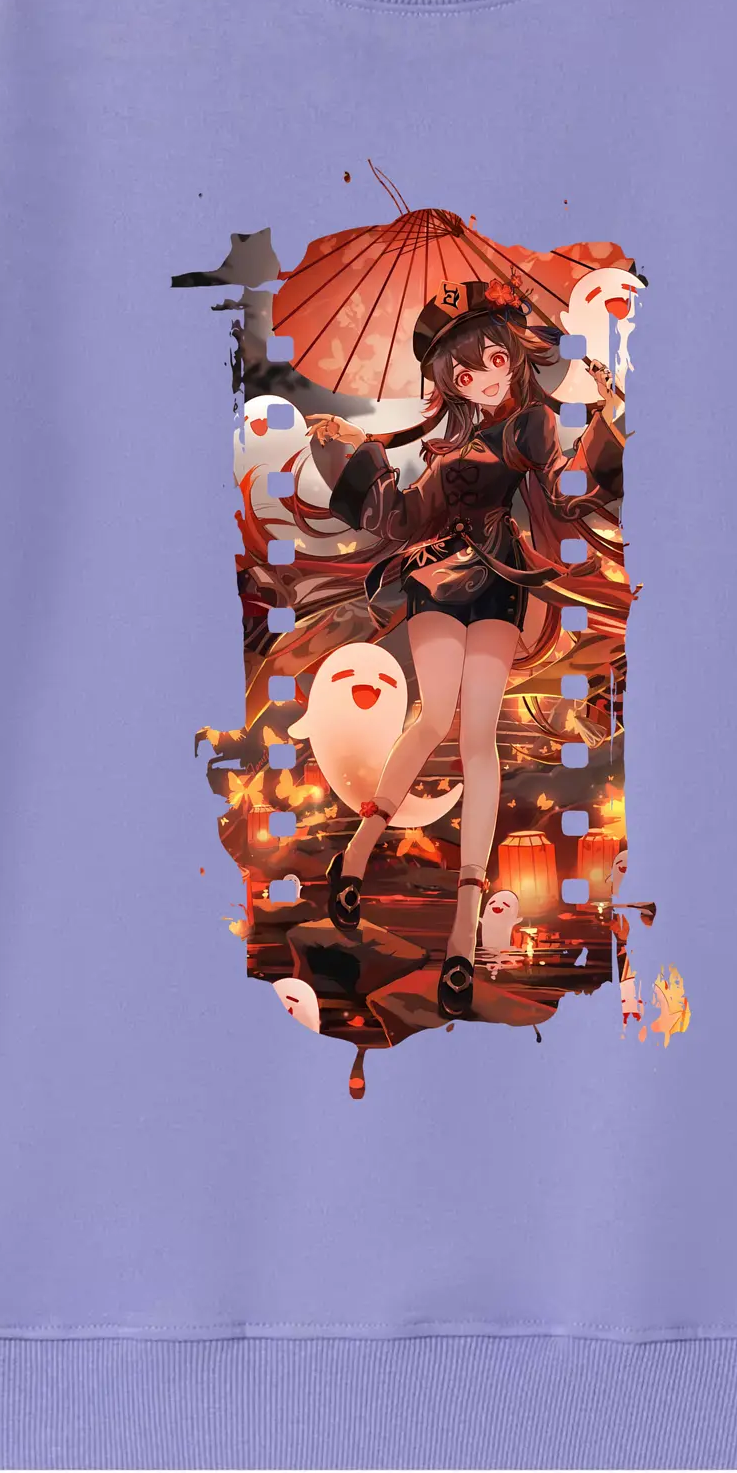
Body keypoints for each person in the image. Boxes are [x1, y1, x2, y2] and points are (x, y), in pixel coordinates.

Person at [304, 286, 623, 1014]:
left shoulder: (533, 425)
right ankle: (356, 854)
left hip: (502, 579)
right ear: (450, 385)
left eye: (494, 360)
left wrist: (607, 415)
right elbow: (399, 518)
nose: (485, 377)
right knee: (432, 718)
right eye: (465, 372)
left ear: (513, 356)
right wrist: (345, 453)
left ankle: (463, 930)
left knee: (479, 738)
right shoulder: (443, 451)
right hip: (437, 578)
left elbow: (566, 493)